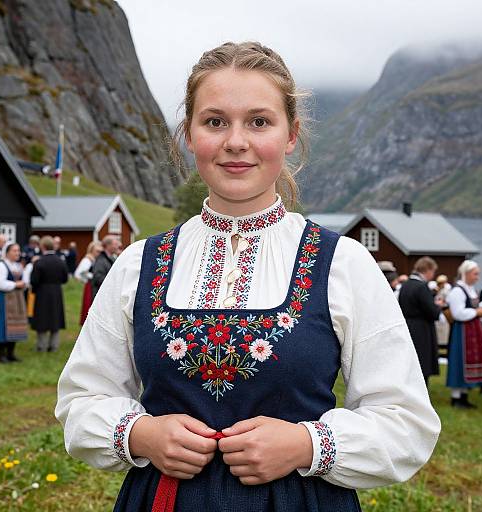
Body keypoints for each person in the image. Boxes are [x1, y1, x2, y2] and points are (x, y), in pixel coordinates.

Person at [56, 42, 440, 512]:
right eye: (215, 121)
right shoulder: (140, 264)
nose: (236, 141)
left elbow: (406, 422)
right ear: (190, 134)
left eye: (259, 121)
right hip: (164, 500)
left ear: (291, 134)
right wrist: (141, 433)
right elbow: (82, 399)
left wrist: (306, 445)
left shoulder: (343, 264)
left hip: (300, 500)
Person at [446, 260, 482, 408]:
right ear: (466, 273)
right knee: (460, 361)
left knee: (468, 362)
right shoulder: (458, 290)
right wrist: (478, 311)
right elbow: (458, 313)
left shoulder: (470, 289)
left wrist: (481, 309)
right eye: (475, 274)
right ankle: (456, 397)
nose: (477, 277)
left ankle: (463, 396)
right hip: (462, 332)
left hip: (472, 330)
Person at [398, 257, 443, 386]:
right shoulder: (421, 287)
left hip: (408, 326)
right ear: (427, 270)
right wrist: (438, 306)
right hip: (422, 329)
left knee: (411, 363)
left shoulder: (405, 285)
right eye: (433, 271)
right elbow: (432, 312)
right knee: (423, 363)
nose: (433, 275)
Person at [0, 242, 28, 363]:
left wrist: (24, 284)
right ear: (7, 252)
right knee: (3, 325)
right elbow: (0, 284)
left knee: (15, 325)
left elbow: (25, 280)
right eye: (14, 251)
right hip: (5, 299)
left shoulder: (17, 266)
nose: (18, 253)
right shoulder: (0, 266)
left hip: (17, 298)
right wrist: (16, 284)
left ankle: (11, 353)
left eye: (18, 250)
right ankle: (1, 355)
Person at [30, 236, 69, 352]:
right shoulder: (60, 262)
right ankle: (54, 345)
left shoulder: (39, 262)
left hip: (42, 292)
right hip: (56, 292)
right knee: (55, 317)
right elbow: (65, 279)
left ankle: (41, 345)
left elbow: (34, 280)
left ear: (42, 246)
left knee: (42, 318)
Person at [74, 241, 103, 325]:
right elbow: (78, 273)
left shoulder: (96, 260)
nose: (98, 253)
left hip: (94, 285)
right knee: (88, 304)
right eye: (97, 251)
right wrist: (90, 277)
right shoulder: (87, 260)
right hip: (90, 286)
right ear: (92, 250)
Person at [90, 234, 120, 299]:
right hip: (102, 298)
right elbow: (98, 278)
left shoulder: (111, 258)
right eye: (115, 244)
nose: (118, 245)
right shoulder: (101, 260)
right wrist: (115, 282)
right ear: (108, 245)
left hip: (108, 296)